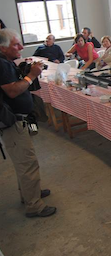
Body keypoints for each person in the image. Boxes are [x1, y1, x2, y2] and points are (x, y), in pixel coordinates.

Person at [0, 29, 56, 218]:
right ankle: (34, 205)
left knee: (25, 162)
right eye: (16, 44)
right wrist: (30, 75)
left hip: (18, 121)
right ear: (3, 47)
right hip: (13, 123)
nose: (21, 47)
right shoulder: (1, 64)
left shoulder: (5, 62)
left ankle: (30, 192)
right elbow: (13, 91)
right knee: (27, 164)